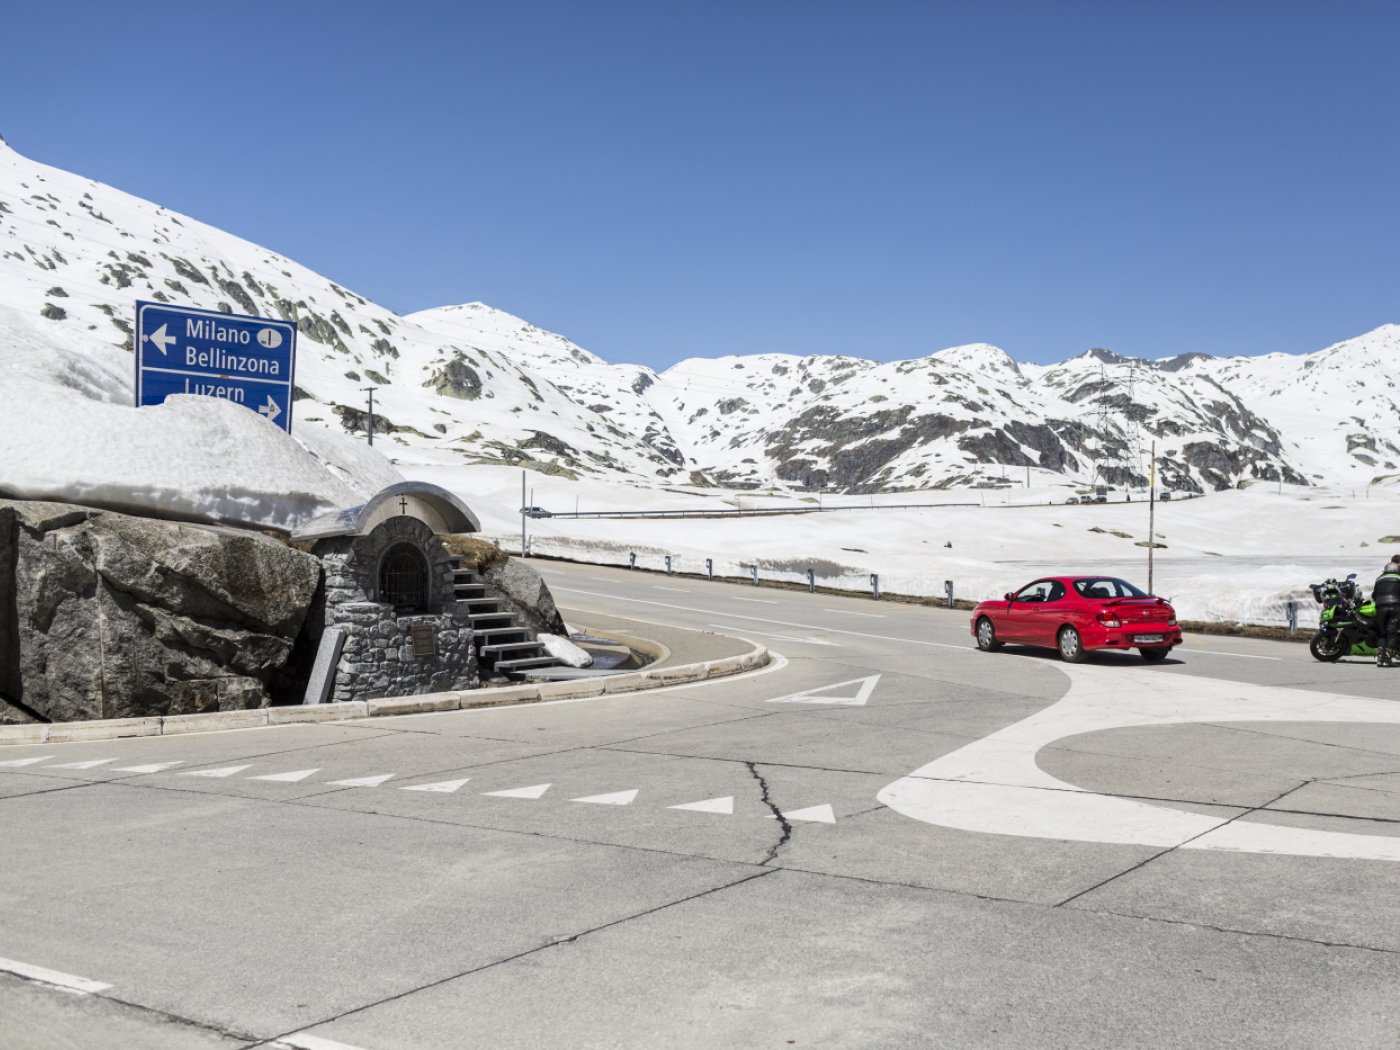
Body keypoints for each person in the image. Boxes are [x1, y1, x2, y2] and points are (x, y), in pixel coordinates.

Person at [1373, 561, 1400, 667]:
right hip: (1395, 606)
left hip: (1380, 606)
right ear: (1396, 569)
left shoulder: (1379, 579)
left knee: (1381, 632)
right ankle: (1387, 659)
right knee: (1391, 632)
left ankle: (1380, 658)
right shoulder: (1398, 577)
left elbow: (1374, 594)